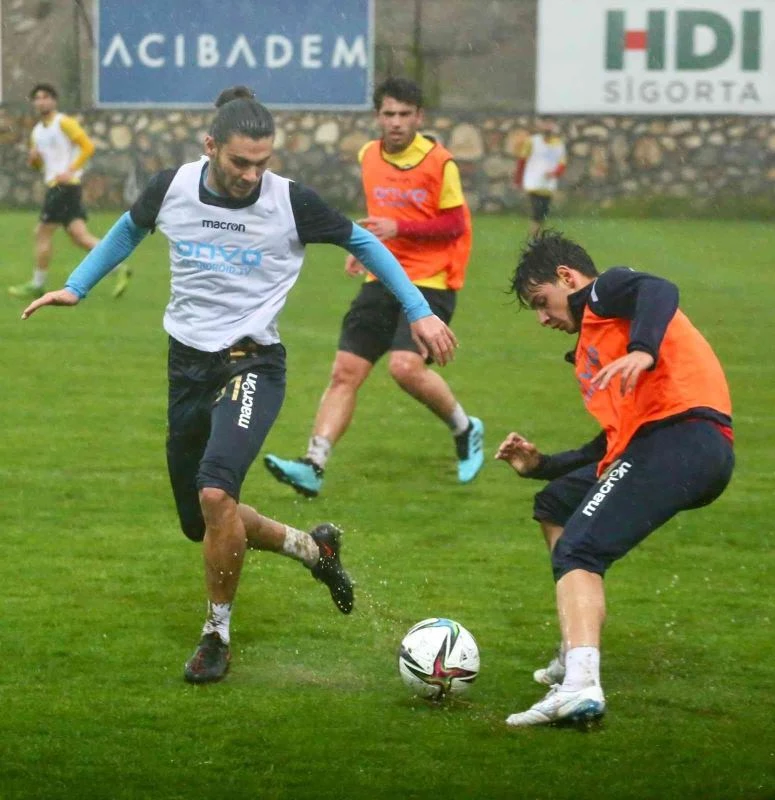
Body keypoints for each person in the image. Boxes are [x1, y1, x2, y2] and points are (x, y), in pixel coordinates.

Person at [21, 98, 458, 685]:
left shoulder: (291, 201)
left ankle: (216, 635)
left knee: (215, 492)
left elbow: (365, 242)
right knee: (202, 521)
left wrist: (419, 310)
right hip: (187, 368)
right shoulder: (171, 187)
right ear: (210, 147)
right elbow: (128, 229)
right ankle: (314, 550)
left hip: (253, 364)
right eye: (240, 162)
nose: (252, 174)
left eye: (262, 162)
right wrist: (77, 286)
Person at [495, 230, 734, 726]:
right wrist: (543, 465)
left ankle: (580, 685)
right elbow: (610, 444)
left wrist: (644, 349)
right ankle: (574, 646)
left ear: (567, 278)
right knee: (556, 504)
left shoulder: (605, 292)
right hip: (665, 445)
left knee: (579, 551)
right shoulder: (595, 343)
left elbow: (658, 288)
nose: (542, 318)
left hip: (683, 439)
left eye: (541, 302)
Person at [264, 77, 483, 498]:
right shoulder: (369, 155)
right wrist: (367, 251)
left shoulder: (440, 163)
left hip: (431, 281)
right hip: (382, 278)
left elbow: (455, 224)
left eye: (404, 114)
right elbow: (377, 219)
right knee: (344, 371)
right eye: (388, 114)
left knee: (404, 367)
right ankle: (313, 464)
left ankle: (465, 427)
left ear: (419, 117)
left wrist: (398, 227)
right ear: (377, 116)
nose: (396, 122)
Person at [9, 83, 131, 301]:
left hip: (63, 186)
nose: (41, 101)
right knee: (79, 236)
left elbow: (87, 146)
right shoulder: (37, 132)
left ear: (54, 101)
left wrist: (71, 170)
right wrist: (34, 160)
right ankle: (120, 268)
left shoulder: (63, 122)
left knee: (42, 232)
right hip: (59, 186)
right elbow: (40, 166)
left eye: (46, 97)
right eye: (37, 98)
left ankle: (37, 284)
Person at [513, 117, 567, 237]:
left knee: (544, 211)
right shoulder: (532, 142)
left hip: (548, 185)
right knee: (537, 210)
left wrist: (554, 173)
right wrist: (518, 180)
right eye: (546, 123)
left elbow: (562, 164)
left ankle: (537, 235)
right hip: (534, 183)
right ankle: (534, 235)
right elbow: (522, 161)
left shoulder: (558, 144)